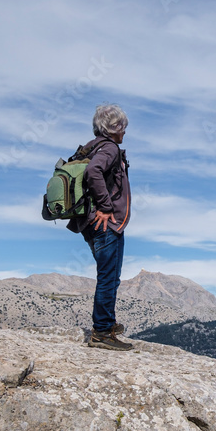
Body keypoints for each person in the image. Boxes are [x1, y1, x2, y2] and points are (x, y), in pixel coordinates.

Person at [68, 103, 133, 351]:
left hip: (89, 221)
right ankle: (103, 331)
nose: (125, 131)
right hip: (106, 222)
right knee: (108, 276)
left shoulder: (91, 147)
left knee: (109, 275)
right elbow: (94, 172)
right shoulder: (109, 148)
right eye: (122, 126)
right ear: (113, 127)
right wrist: (106, 207)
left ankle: (107, 322)